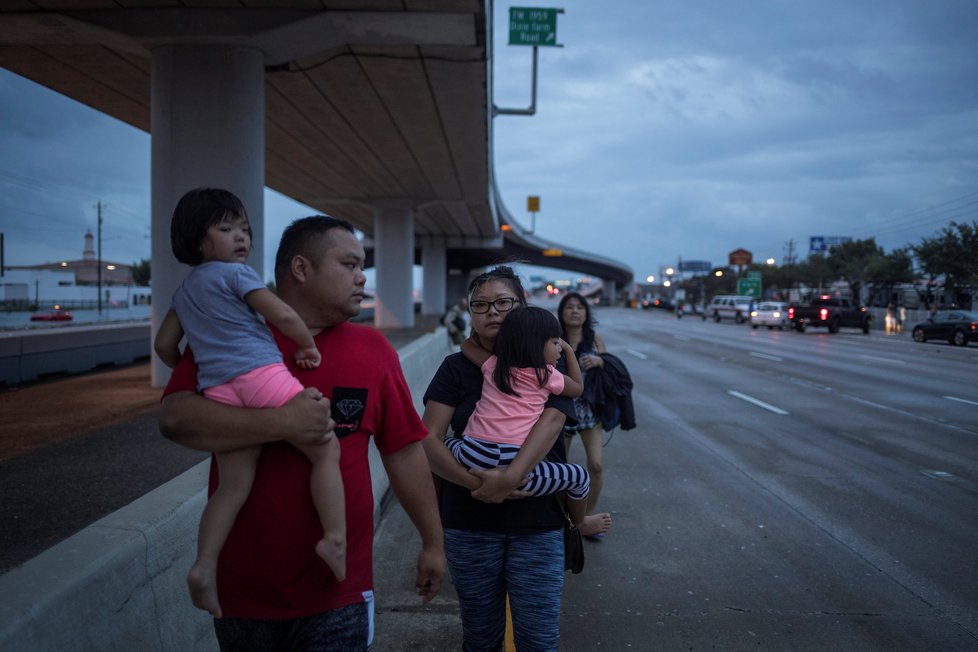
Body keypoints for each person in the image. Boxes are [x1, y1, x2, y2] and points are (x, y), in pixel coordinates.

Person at [159, 215, 444, 651]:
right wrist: (282, 423)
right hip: (242, 594)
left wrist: (432, 542)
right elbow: (176, 419)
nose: (361, 277)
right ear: (300, 269)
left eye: (361, 266)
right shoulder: (232, 338)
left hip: (339, 592)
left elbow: (403, 452)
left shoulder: (375, 351)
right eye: (348, 265)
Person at [154, 188, 346, 619]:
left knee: (232, 486)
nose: (241, 238)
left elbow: (164, 344)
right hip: (262, 376)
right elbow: (282, 314)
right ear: (198, 241)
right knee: (325, 447)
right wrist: (307, 346)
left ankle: (204, 568)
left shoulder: (184, 293)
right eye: (226, 229)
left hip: (219, 390)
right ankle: (334, 537)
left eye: (244, 230)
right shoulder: (236, 275)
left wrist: (194, 362)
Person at [421, 266, 580, 651]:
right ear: (470, 313)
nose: (491, 312)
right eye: (480, 305)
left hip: (538, 526)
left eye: (503, 302)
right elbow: (427, 439)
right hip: (468, 523)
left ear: (522, 307)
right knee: (480, 637)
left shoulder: (548, 366)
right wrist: (478, 485)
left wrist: (508, 480)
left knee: (538, 639)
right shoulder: (455, 369)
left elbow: (554, 420)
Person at [451, 305, 589, 513]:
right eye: (554, 342)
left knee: (445, 442)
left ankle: (480, 483)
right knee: (580, 478)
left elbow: (466, 345)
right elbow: (577, 387)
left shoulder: (494, 365)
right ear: (535, 345)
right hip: (516, 461)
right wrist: (570, 350)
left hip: (474, 453)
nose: (559, 347)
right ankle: (579, 523)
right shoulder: (548, 376)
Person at [558, 291, 614, 540]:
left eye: (580, 307)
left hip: (590, 413)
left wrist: (600, 362)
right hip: (561, 412)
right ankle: (563, 520)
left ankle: (585, 519)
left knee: (596, 465)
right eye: (569, 307)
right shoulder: (554, 339)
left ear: (586, 313)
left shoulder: (596, 340)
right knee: (559, 468)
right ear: (561, 312)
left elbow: (610, 369)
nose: (575, 311)